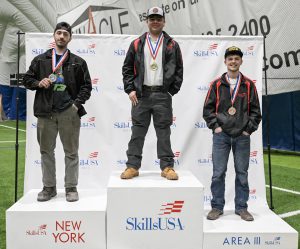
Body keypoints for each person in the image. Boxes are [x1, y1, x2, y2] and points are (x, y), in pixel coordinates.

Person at [23, 22, 92, 202]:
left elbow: (87, 87)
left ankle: (71, 187)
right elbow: (27, 79)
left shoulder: (78, 62)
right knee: (46, 151)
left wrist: (76, 105)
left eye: (65, 34)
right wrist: (38, 83)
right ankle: (49, 188)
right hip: (45, 113)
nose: (61, 36)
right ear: (54, 35)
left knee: (71, 152)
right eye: (59, 33)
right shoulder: (40, 60)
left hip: (69, 112)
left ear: (70, 38)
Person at [121, 6, 183, 180]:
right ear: (147, 21)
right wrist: (130, 89)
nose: (155, 21)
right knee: (137, 132)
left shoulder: (172, 44)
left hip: (162, 95)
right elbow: (127, 68)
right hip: (141, 95)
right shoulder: (137, 43)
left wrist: (171, 91)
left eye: (158, 18)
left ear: (164, 21)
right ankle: (132, 166)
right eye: (152, 18)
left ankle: (167, 167)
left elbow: (179, 69)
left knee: (164, 132)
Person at [203, 46, 261, 221]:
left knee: (242, 173)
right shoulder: (217, 84)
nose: (233, 61)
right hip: (221, 136)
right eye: (230, 59)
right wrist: (216, 127)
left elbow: (256, 112)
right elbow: (207, 110)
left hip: (242, 137)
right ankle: (217, 207)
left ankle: (242, 208)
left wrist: (247, 130)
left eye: (236, 58)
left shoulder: (249, 85)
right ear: (225, 62)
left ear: (241, 61)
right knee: (218, 173)